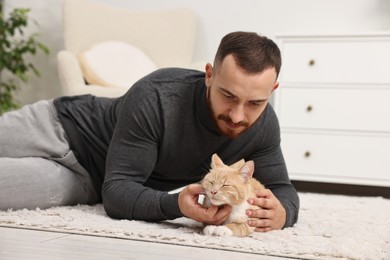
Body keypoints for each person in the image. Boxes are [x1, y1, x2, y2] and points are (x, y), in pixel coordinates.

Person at [0, 31, 299, 232]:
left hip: (86, 181)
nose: (238, 115)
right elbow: (119, 193)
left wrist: (282, 213)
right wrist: (174, 204)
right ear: (209, 75)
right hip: (60, 126)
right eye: (229, 96)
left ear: (272, 91)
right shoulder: (157, 95)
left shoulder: (264, 124)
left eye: (255, 103)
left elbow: (284, 190)